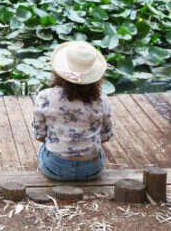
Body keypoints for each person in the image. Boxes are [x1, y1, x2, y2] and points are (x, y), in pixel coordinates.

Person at [32, 40, 113, 181]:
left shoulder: (45, 97)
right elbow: (105, 137)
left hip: (55, 169)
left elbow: (39, 136)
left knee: (42, 149)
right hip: (92, 169)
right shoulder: (102, 100)